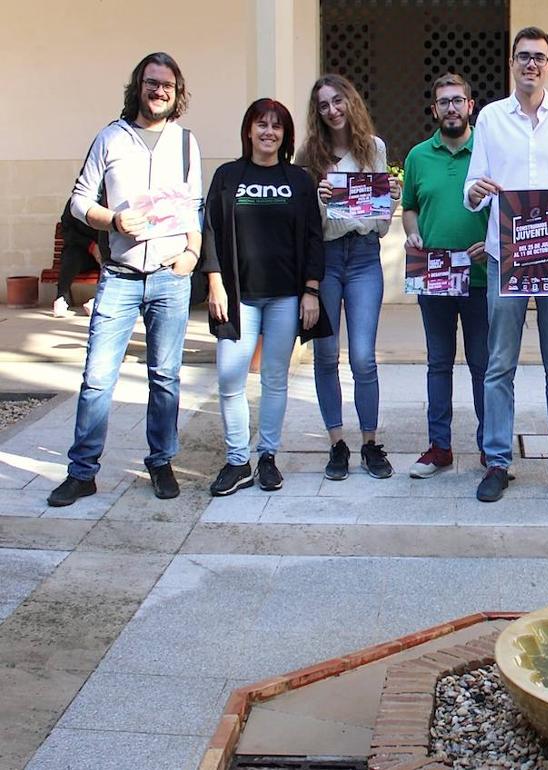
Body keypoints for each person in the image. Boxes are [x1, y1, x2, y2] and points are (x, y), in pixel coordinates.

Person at [48, 52, 202, 508]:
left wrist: (192, 253)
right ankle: (82, 472)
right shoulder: (110, 138)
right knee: (97, 377)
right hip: (119, 276)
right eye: (152, 83)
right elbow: (78, 201)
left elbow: (192, 205)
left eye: (168, 86)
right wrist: (113, 220)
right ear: (138, 86)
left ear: (177, 94)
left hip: (170, 278)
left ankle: (160, 462)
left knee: (166, 377)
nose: (159, 92)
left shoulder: (185, 142)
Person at [464, 27, 548, 503]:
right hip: (507, 257)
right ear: (512, 63)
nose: (531, 64)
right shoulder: (490, 118)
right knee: (499, 365)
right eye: (523, 57)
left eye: (539, 57)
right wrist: (477, 192)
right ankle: (498, 460)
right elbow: (472, 186)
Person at [200, 98, 328, 496]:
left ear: (286, 135)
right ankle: (238, 460)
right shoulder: (227, 176)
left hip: (285, 297)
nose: (268, 132)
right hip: (239, 297)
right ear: (249, 130)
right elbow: (211, 232)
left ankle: (267, 456)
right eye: (261, 124)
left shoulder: (298, 180)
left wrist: (311, 290)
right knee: (229, 377)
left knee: (274, 379)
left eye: (277, 126)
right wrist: (215, 283)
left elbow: (313, 238)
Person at [296, 75, 396, 481]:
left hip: (364, 257)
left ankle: (370, 443)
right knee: (324, 355)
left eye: (338, 101)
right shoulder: (308, 155)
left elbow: (381, 224)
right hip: (326, 259)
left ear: (350, 102)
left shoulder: (373, 148)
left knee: (362, 357)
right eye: (323, 105)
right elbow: (307, 225)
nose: (332, 110)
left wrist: (387, 200)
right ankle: (337, 442)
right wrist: (320, 203)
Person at [403, 72, 490, 478]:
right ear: (434, 109)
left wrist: (493, 244)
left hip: (481, 277)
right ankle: (440, 447)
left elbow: (509, 207)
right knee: (439, 363)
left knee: (484, 365)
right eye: (444, 102)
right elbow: (409, 207)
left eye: (458, 100)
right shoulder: (418, 156)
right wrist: (412, 231)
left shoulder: (489, 151)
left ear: (470, 106)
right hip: (434, 277)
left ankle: (492, 447)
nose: (451, 108)